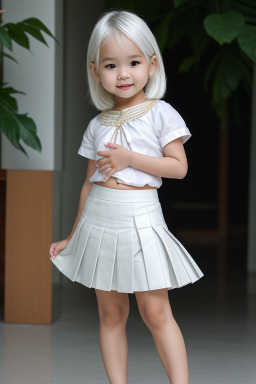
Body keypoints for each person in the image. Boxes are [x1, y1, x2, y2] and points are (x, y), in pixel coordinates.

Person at [49, 9, 204, 384]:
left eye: (133, 62)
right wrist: (73, 235)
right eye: (111, 65)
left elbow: (178, 167)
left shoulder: (160, 113)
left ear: (151, 65)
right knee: (110, 314)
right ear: (95, 71)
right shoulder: (96, 124)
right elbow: (89, 184)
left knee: (155, 311)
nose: (123, 74)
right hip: (100, 220)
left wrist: (130, 159)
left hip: (140, 217)